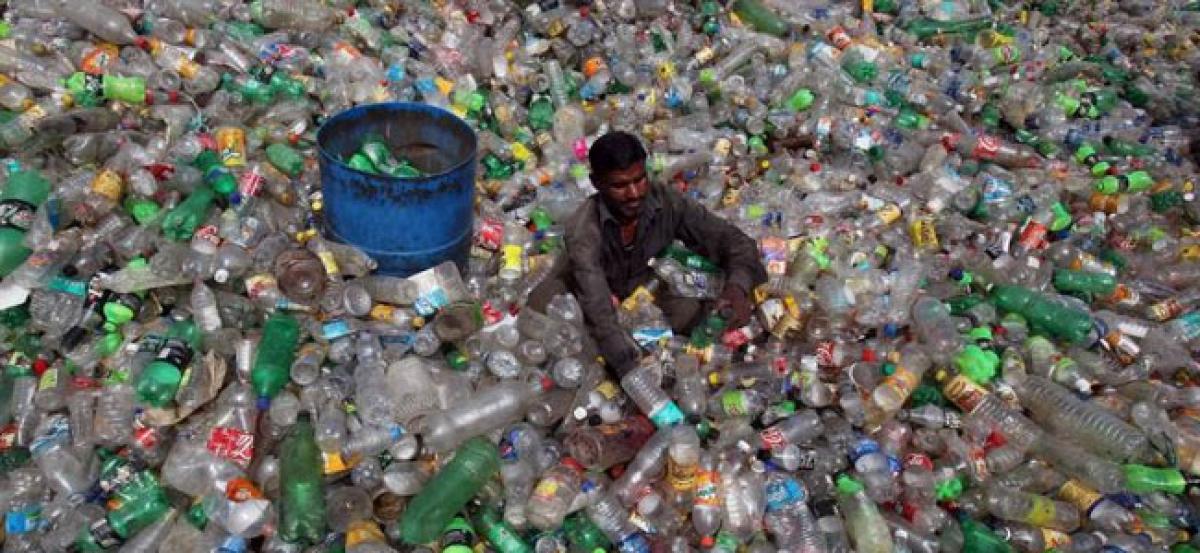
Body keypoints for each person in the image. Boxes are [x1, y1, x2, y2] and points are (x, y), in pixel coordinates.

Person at [527, 131, 767, 377]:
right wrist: (633, 372)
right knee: (572, 340)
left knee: (695, 309)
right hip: (591, 300)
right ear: (596, 183)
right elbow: (599, 310)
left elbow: (734, 241)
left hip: (645, 293)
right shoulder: (585, 230)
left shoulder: (665, 200)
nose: (634, 194)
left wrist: (737, 288)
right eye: (620, 185)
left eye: (640, 179)